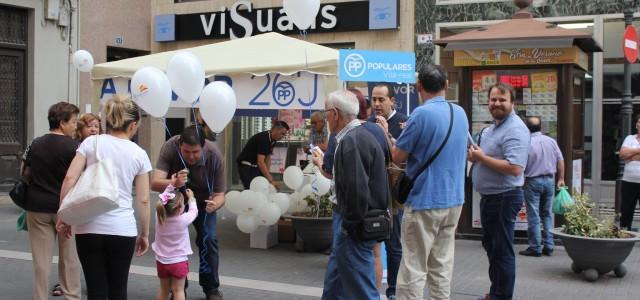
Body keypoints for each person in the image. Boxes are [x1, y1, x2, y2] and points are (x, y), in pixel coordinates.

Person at [381, 65, 468, 300]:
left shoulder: (420, 114)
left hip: (424, 201)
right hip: (454, 201)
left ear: (419, 87)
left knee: (413, 267)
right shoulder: (459, 113)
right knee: (441, 265)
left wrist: (388, 136)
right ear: (446, 86)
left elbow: (398, 157)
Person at [58, 95, 152, 299]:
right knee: (118, 291)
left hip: (87, 226)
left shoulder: (91, 143)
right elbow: (143, 199)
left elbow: (69, 178)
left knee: (96, 291)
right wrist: (144, 234)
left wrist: (63, 216)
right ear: (133, 125)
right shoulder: (139, 154)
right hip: (122, 228)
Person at [320, 89, 390, 299]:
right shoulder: (357, 137)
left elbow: (356, 190)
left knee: (362, 289)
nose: (325, 119)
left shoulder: (352, 142)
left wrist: (349, 226)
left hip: (354, 225)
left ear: (335, 113)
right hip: (356, 222)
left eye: (326, 113)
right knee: (339, 282)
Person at [468, 82, 530, 300]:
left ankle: (502, 296)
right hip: (491, 198)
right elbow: (485, 157)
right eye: (493, 99)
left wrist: (481, 158)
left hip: (504, 198)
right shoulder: (493, 128)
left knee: (502, 251)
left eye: (502, 100)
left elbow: (514, 168)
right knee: (493, 248)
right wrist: (475, 156)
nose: (497, 104)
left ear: (512, 103)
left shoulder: (516, 129)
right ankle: (496, 292)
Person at [151, 125, 226, 300]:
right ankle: (178, 288)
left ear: (203, 147)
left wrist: (215, 205)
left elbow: (220, 194)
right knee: (171, 243)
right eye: (186, 152)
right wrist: (174, 182)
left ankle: (211, 288)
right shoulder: (170, 146)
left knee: (208, 239)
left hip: (203, 203)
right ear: (179, 145)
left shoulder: (214, 155)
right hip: (175, 202)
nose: (191, 156)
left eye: (195, 152)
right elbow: (154, 183)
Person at [23, 102, 81, 300]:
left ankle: (40, 297)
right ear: (62, 122)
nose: (75, 126)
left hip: (37, 206)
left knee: (41, 261)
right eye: (73, 122)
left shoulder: (36, 143)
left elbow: (23, 173)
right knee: (69, 258)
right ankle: (71, 296)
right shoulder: (75, 147)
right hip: (66, 208)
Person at [519, 116, 565, 257]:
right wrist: (561, 178)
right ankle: (549, 245)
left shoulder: (527, 143)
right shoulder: (551, 141)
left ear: (527, 128)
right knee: (546, 214)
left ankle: (535, 247)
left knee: (534, 215)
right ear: (541, 127)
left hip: (532, 181)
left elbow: (522, 164)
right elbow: (560, 160)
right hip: (550, 181)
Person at [153, 185, 199, 300]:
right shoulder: (183, 220)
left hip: (161, 262)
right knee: (178, 290)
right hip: (178, 262)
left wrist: (170, 186)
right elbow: (194, 211)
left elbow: (162, 198)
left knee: (164, 290)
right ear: (180, 209)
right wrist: (192, 198)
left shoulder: (159, 218)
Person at [236, 120, 289, 189]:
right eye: (282, 133)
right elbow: (260, 162)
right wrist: (270, 179)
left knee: (262, 187)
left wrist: (267, 175)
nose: (283, 136)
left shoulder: (273, 140)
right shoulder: (263, 138)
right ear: (276, 129)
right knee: (252, 190)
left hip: (255, 167)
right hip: (247, 166)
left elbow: (268, 158)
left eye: (284, 135)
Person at [619, 114, 640, 231]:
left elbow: (627, 155)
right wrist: (638, 151)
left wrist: (631, 156)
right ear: (636, 124)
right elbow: (622, 155)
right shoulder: (629, 138)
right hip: (628, 181)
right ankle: (624, 232)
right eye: (639, 122)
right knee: (626, 209)